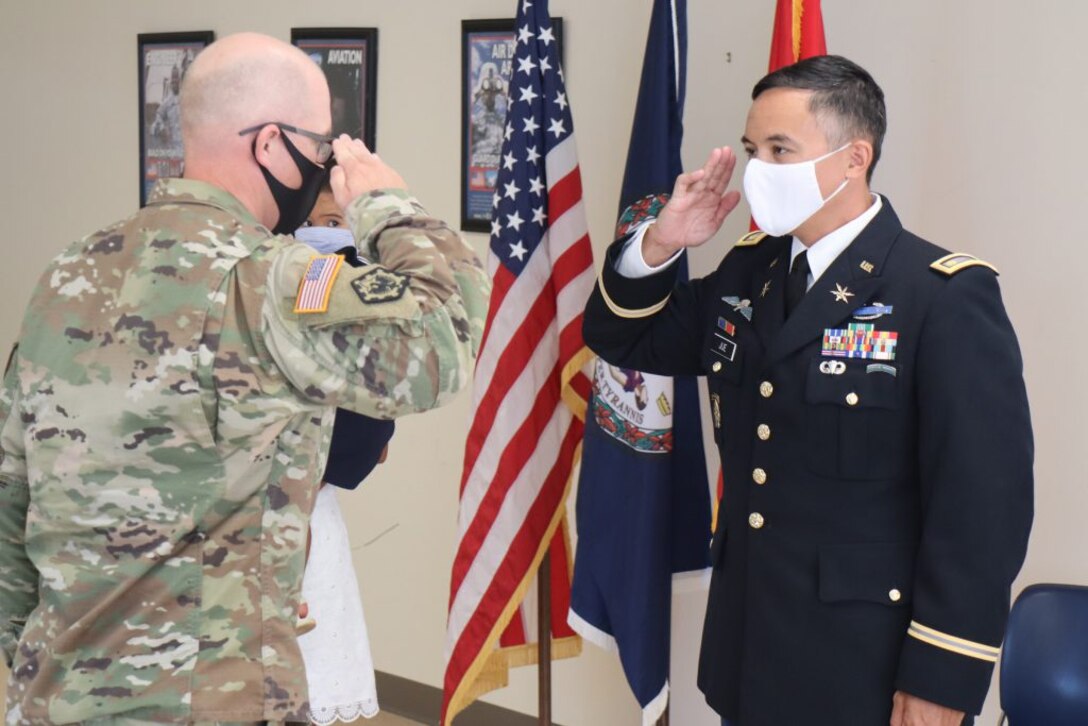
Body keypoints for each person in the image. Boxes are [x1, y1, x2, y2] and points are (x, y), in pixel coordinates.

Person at [0, 32, 488, 725]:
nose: (323, 170)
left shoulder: (67, 274)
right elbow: (445, 344)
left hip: (54, 701)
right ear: (269, 145)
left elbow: (11, 505)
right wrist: (386, 205)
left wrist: (42, 668)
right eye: (321, 151)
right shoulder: (274, 283)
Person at [583, 55, 1033, 726]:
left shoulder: (939, 295)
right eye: (751, 149)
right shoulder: (748, 272)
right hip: (750, 643)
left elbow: (981, 512)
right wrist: (660, 243)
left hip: (866, 663)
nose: (757, 168)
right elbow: (624, 342)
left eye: (779, 150)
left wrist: (942, 679)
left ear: (855, 158)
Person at [294, 182, 396, 724]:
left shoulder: (351, 279)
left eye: (338, 220)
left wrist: (369, 442)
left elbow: (366, 422)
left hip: (309, 503)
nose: (329, 232)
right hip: (279, 508)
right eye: (319, 219)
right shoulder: (307, 278)